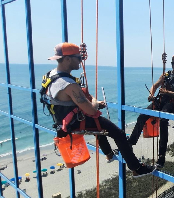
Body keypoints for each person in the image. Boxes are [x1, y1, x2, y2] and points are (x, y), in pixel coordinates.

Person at [42, 42, 155, 178]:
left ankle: (108, 154)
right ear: (67, 59)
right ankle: (136, 168)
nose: (81, 61)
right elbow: (90, 110)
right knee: (118, 134)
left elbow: (73, 98)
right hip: (75, 122)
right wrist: (95, 102)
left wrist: (88, 102)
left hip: (62, 121)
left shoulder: (50, 75)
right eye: (78, 58)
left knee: (99, 127)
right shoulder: (68, 84)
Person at [128, 54, 174, 168]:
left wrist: (167, 92)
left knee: (163, 121)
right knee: (142, 117)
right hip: (160, 100)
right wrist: (151, 94)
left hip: (172, 103)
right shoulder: (165, 75)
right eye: (172, 63)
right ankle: (130, 143)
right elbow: (155, 86)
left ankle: (161, 157)